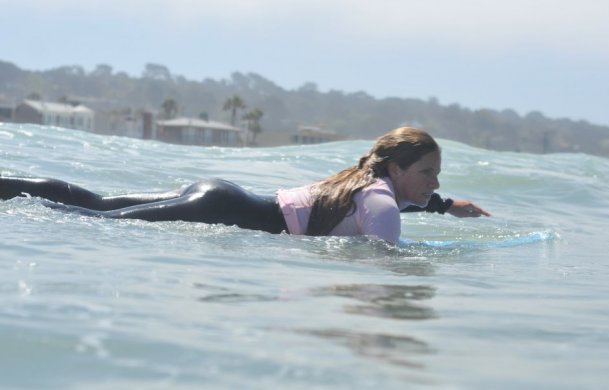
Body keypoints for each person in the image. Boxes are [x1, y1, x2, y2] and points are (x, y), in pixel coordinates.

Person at [0, 127, 489, 244]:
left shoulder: (366, 184)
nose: (434, 181)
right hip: (221, 210)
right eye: (428, 172)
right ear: (399, 169)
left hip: (221, 195)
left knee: (94, 203)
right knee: (93, 220)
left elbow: (385, 210)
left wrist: (444, 205)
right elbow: (384, 258)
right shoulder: (380, 203)